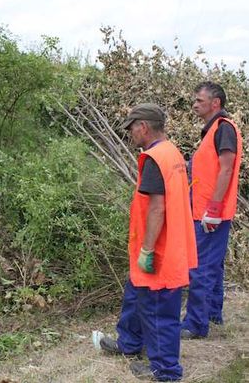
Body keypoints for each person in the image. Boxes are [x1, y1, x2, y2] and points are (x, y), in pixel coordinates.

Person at [99, 104, 197, 381]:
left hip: (160, 251)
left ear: (143, 126)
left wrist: (148, 249)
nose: (130, 133)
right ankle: (132, 345)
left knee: (158, 313)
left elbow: (157, 208)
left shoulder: (154, 157)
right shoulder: (172, 152)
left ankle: (165, 371)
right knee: (140, 299)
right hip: (173, 245)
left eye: (131, 127)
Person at [181, 82, 243, 339]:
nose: (194, 104)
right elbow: (208, 169)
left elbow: (226, 169)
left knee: (202, 267)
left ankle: (195, 324)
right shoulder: (213, 131)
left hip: (211, 212)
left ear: (215, 103)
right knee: (213, 266)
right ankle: (213, 313)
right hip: (208, 210)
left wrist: (214, 209)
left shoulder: (223, 129)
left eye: (199, 100)